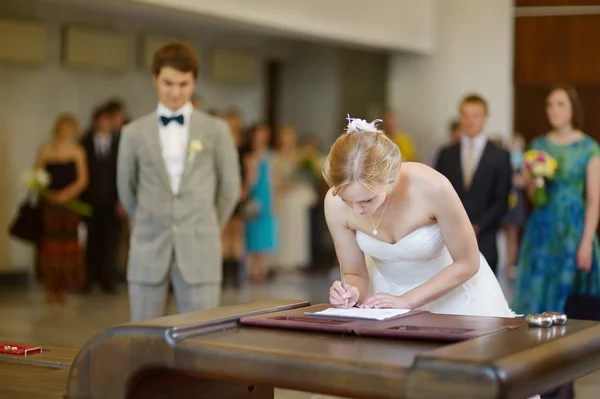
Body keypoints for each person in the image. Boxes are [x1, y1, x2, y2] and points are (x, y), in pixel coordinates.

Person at [324, 116, 514, 317]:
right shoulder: (334, 203)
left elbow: (468, 262)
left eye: (367, 200)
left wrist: (406, 301)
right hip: (384, 298)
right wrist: (352, 291)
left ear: (390, 179)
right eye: (347, 200)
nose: (357, 211)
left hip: (454, 296)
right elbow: (355, 274)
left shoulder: (433, 187)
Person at [117, 41, 241, 321]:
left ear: (193, 81)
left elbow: (230, 189)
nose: (175, 92)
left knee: (201, 338)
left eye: (183, 84)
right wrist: (149, 219)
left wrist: (206, 224)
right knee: (145, 337)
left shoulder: (216, 130)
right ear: (155, 80)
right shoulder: (132, 133)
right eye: (168, 83)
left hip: (200, 249)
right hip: (148, 248)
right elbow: (126, 190)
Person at [435, 94, 512, 274]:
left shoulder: (500, 155)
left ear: (485, 118)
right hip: (450, 237)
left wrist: (477, 225)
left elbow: (502, 199)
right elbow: (437, 194)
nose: (470, 120)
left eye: (476, 115)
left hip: (485, 235)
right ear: (460, 117)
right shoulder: (446, 154)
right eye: (466, 115)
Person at [35, 113, 88, 304]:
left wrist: (66, 195)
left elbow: (82, 179)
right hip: (50, 205)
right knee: (50, 243)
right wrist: (50, 195)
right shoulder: (46, 150)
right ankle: (51, 285)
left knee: (68, 243)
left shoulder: (77, 151)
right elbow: (37, 177)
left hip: (70, 204)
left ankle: (65, 285)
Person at [80, 106, 121, 293]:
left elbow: (122, 173)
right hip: (90, 200)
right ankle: (88, 278)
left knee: (110, 241)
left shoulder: (119, 142)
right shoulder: (84, 142)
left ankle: (107, 278)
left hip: (112, 200)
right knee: (91, 240)